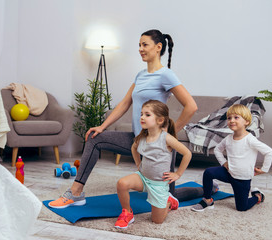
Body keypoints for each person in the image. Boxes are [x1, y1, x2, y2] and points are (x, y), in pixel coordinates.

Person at [49, 29, 205, 209]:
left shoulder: (166, 75)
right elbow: (124, 104)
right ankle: (76, 193)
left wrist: (170, 133)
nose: (140, 49)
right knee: (95, 138)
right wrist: (102, 126)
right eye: (139, 45)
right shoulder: (140, 75)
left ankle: (206, 190)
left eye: (145, 44)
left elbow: (191, 106)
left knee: (170, 195)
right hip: (137, 140)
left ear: (158, 47)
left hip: (159, 148)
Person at [115, 100, 192, 228]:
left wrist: (178, 174)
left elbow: (187, 154)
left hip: (158, 184)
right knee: (122, 183)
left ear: (160, 120)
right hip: (143, 178)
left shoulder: (166, 138)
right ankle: (127, 213)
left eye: (147, 114)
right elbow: (134, 148)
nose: (142, 117)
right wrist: (139, 164)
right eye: (141, 114)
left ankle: (169, 201)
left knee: (157, 221)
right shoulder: (142, 137)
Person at [191, 104, 272, 212]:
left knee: (241, 208)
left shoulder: (250, 139)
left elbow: (269, 152)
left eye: (236, 117)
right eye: (229, 118)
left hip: (242, 179)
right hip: (229, 173)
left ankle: (258, 196)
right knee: (208, 173)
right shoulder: (228, 138)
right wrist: (224, 163)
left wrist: (264, 169)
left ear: (247, 122)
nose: (231, 120)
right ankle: (208, 200)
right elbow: (217, 150)